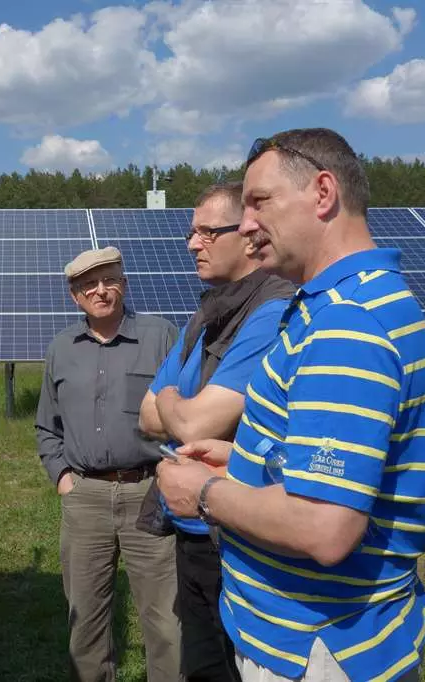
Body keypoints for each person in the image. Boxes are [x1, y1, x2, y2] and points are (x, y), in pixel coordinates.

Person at [157, 128, 425, 682]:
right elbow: (318, 458)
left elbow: (323, 526)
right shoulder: (322, 307)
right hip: (307, 636)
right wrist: (240, 459)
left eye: (260, 201)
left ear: (323, 193)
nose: (245, 223)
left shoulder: (347, 326)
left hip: (317, 647)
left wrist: (206, 492)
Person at [138, 182, 295, 682]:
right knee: (203, 666)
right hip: (192, 531)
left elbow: (192, 422)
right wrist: (174, 407)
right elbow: (145, 417)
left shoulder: (273, 311)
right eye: (192, 232)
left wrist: (168, 397)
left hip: (238, 534)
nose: (192, 244)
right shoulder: (207, 314)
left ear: (248, 237)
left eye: (207, 232)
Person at [35, 247, 182, 682]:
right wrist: (63, 479)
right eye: (88, 286)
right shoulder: (61, 348)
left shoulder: (162, 337)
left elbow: (188, 413)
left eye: (110, 280)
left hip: (149, 493)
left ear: (124, 283)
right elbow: (47, 427)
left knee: (166, 623)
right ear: (75, 296)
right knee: (86, 623)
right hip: (85, 497)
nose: (101, 291)